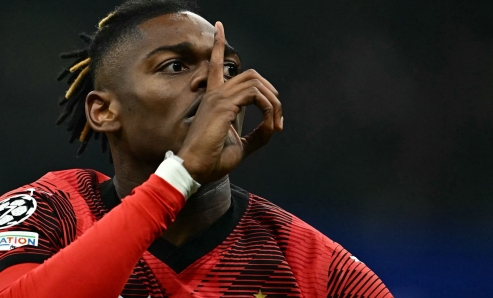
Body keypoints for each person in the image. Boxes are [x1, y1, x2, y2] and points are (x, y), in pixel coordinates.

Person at [0, 0, 393, 297]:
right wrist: (180, 175)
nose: (215, 81)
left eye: (229, 68)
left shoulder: (312, 266)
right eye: (175, 65)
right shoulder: (53, 212)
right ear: (104, 111)